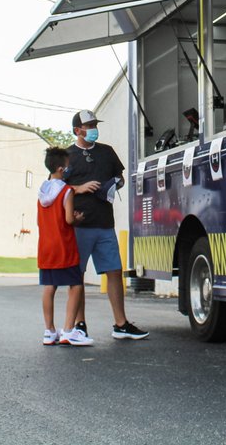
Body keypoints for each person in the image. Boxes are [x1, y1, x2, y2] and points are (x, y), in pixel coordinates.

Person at [64, 110, 150, 340]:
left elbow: (120, 177)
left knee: (114, 271)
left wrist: (113, 185)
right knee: (77, 275)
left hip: (104, 223)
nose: (93, 129)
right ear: (77, 131)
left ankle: (121, 324)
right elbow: (55, 187)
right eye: (89, 125)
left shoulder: (106, 152)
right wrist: (79, 188)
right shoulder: (67, 156)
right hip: (79, 224)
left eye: (94, 124)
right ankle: (79, 324)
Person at [36, 146, 99, 346]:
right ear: (62, 169)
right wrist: (78, 217)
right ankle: (69, 330)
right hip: (64, 245)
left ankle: (49, 331)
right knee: (76, 285)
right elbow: (69, 219)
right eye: (68, 166)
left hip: (46, 246)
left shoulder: (42, 191)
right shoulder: (66, 191)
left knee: (49, 287)